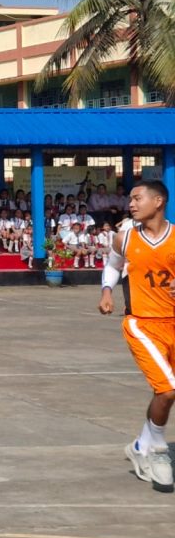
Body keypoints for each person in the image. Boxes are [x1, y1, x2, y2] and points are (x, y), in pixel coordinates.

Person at [98, 180, 175, 492]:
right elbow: (113, 266)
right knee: (168, 390)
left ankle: (141, 446)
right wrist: (106, 291)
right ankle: (157, 451)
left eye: (137, 198)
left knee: (166, 392)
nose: (130, 203)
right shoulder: (125, 236)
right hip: (141, 323)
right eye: (130, 198)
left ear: (158, 201)